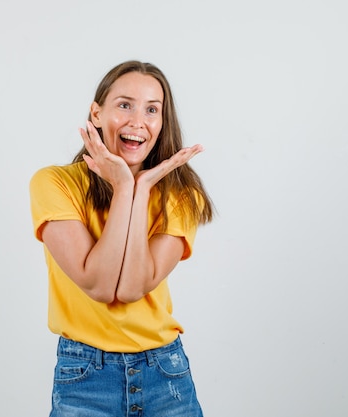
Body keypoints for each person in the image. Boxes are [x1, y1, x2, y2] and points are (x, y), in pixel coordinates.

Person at [29, 60, 214, 417]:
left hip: (165, 374)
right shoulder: (54, 184)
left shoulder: (182, 195)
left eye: (152, 110)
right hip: (84, 377)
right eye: (124, 105)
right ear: (96, 114)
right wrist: (124, 187)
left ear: (162, 124)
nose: (137, 121)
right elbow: (99, 285)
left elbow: (130, 288)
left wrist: (139, 189)